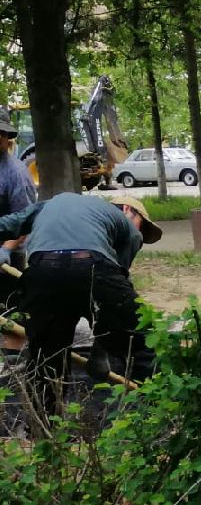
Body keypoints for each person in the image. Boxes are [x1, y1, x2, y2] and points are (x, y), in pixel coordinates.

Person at [0, 193, 163, 394]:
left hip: (42, 272)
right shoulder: (128, 227)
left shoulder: (49, 204)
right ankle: (158, 409)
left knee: (47, 358)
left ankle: (42, 422)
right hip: (91, 267)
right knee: (143, 341)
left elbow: (7, 225)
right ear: (128, 210)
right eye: (141, 225)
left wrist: (2, 250)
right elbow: (114, 287)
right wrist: (102, 345)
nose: (140, 233)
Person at [0, 109, 38, 349]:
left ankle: (13, 368)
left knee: (10, 313)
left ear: (5, 138)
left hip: (7, 257)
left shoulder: (16, 173)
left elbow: (26, 220)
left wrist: (5, 249)